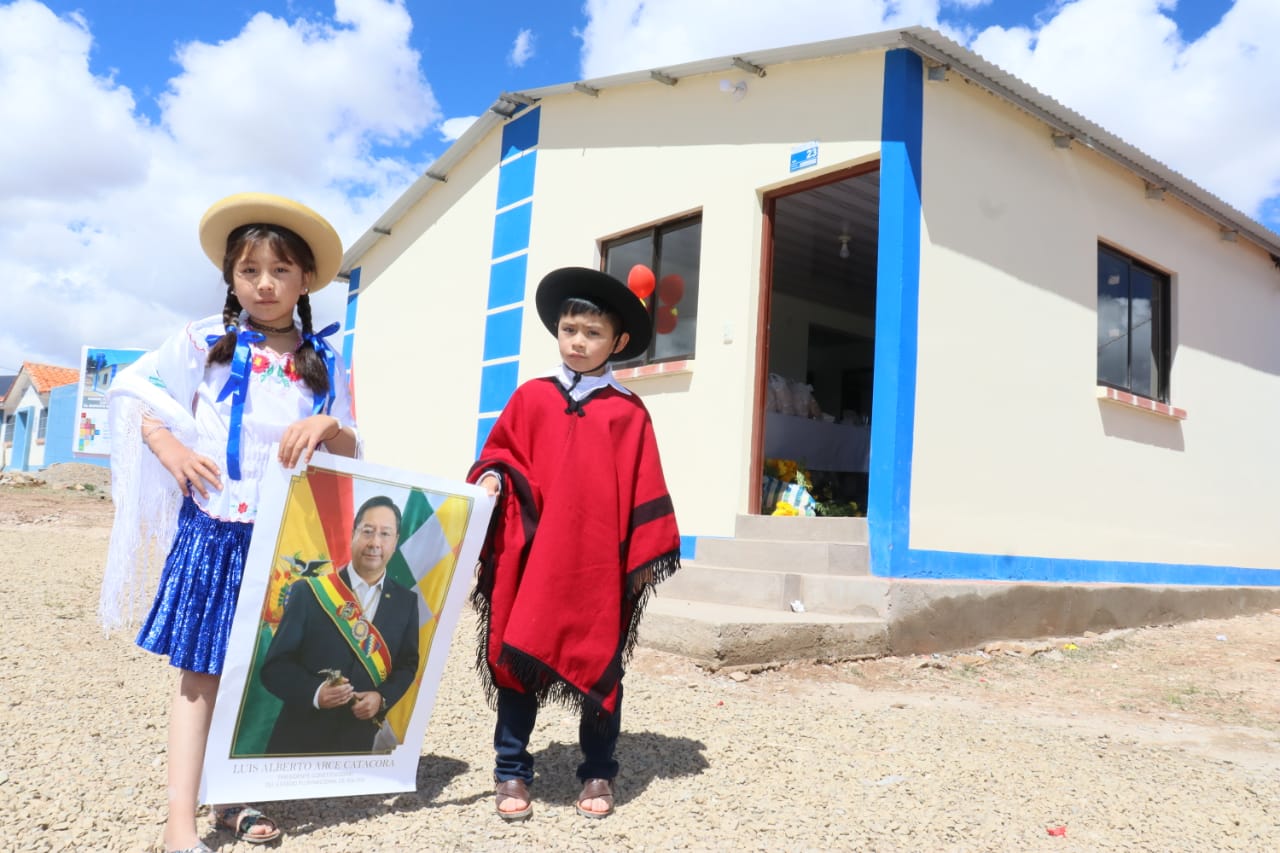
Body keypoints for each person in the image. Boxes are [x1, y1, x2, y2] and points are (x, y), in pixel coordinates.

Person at [99, 193, 358, 853]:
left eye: (280, 270)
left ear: (305, 280)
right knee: (202, 676)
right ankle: (178, 823)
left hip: (287, 541)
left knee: (257, 673)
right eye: (249, 270)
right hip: (217, 529)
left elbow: (354, 450)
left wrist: (330, 424)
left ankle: (230, 800)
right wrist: (173, 451)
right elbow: (137, 393)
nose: (265, 283)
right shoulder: (203, 342)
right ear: (231, 278)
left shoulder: (327, 360)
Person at [467, 266, 682, 821]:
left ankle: (598, 770)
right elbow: (501, 454)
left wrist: (639, 560)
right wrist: (491, 478)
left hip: (595, 565)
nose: (578, 342)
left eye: (592, 333)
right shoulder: (531, 398)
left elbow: (644, 485)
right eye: (569, 330)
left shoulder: (627, 412)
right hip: (531, 555)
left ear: (619, 341)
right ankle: (512, 770)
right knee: (516, 656)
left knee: (600, 661)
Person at [260, 495, 420, 755]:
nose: (375, 543)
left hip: (358, 744)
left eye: (385, 534)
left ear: (395, 542)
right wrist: (315, 692)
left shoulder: (406, 602)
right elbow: (274, 667)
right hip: (297, 741)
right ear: (353, 533)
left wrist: (381, 698)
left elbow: (407, 665)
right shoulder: (309, 592)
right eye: (367, 531)